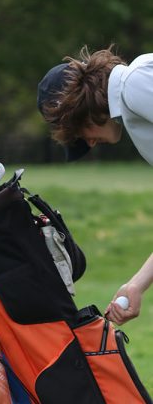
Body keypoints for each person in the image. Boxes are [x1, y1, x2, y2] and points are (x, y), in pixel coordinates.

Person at [37, 44, 153, 325]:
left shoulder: (135, 84)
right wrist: (137, 284)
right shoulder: (134, 111)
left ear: (81, 107)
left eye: (79, 133)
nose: (89, 142)